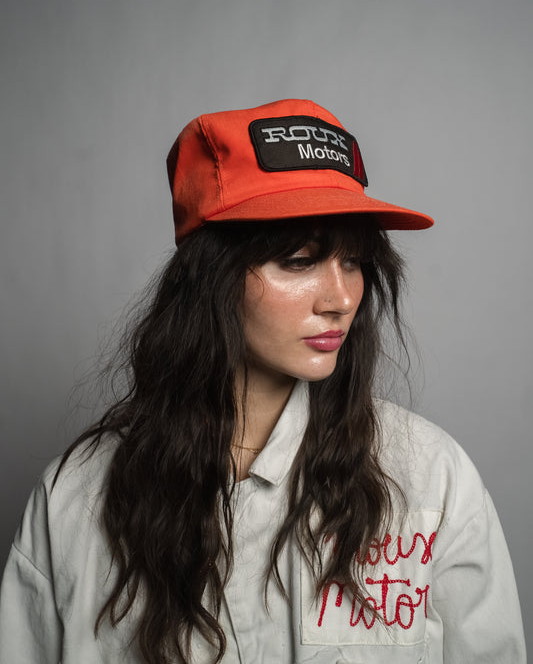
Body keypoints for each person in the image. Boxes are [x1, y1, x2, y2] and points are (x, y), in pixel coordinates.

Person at [0, 99, 526, 664]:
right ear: (211, 278)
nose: (341, 298)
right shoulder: (75, 501)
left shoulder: (430, 479)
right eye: (300, 260)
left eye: (354, 261)